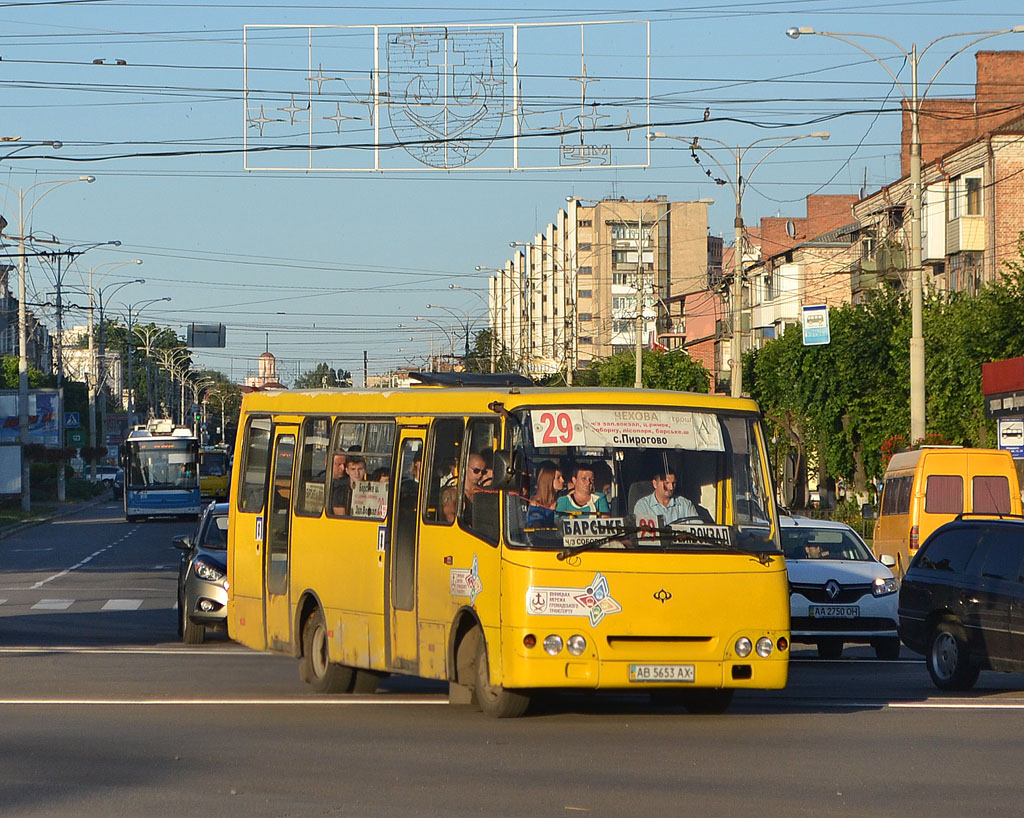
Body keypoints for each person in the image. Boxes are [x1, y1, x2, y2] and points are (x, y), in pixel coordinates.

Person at [632, 470, 698, 525]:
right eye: (666, 483)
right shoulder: (643, 506)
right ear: (655, 484)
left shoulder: (686, 504)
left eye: (673, 483)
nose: (671, 487)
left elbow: (698, 529)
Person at [527, 461, 563, 526]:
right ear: (549, 481)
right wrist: (551, 512)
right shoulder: (536, 505)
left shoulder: (562, 500)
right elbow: (537, 530)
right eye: (558, 478)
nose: (563, 480)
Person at [460, 452, 488, 522]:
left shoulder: (483, 493)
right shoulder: (453, 493)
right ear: (465, 467)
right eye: (476, 470)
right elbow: (450, 517)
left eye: (483, 472)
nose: (480, 475)